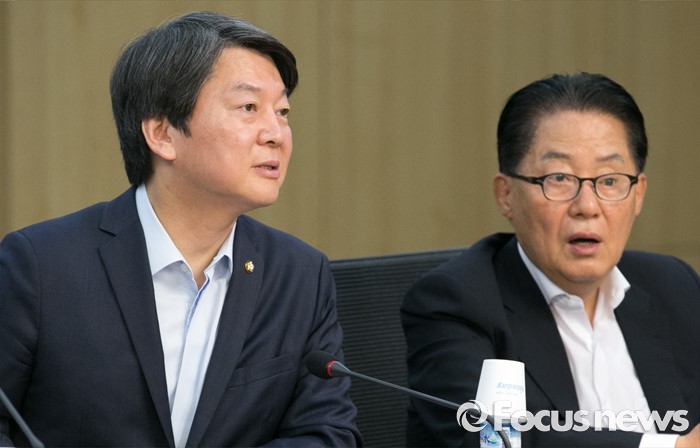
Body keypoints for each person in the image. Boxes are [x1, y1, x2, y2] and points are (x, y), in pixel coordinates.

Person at [0, 11, 361, 447]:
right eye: (249, 107)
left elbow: (326, 433)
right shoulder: (41, 266)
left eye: (282, 111)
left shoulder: (299, 274)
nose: (277, 134)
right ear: (163, 134)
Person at [401, 72, 700, 447]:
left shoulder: (674, 286)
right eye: (559, 178)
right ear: (506, 195)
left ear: (638, 195)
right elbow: (500, 440)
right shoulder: (455, 304)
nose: (587, 206)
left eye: (609, 180)